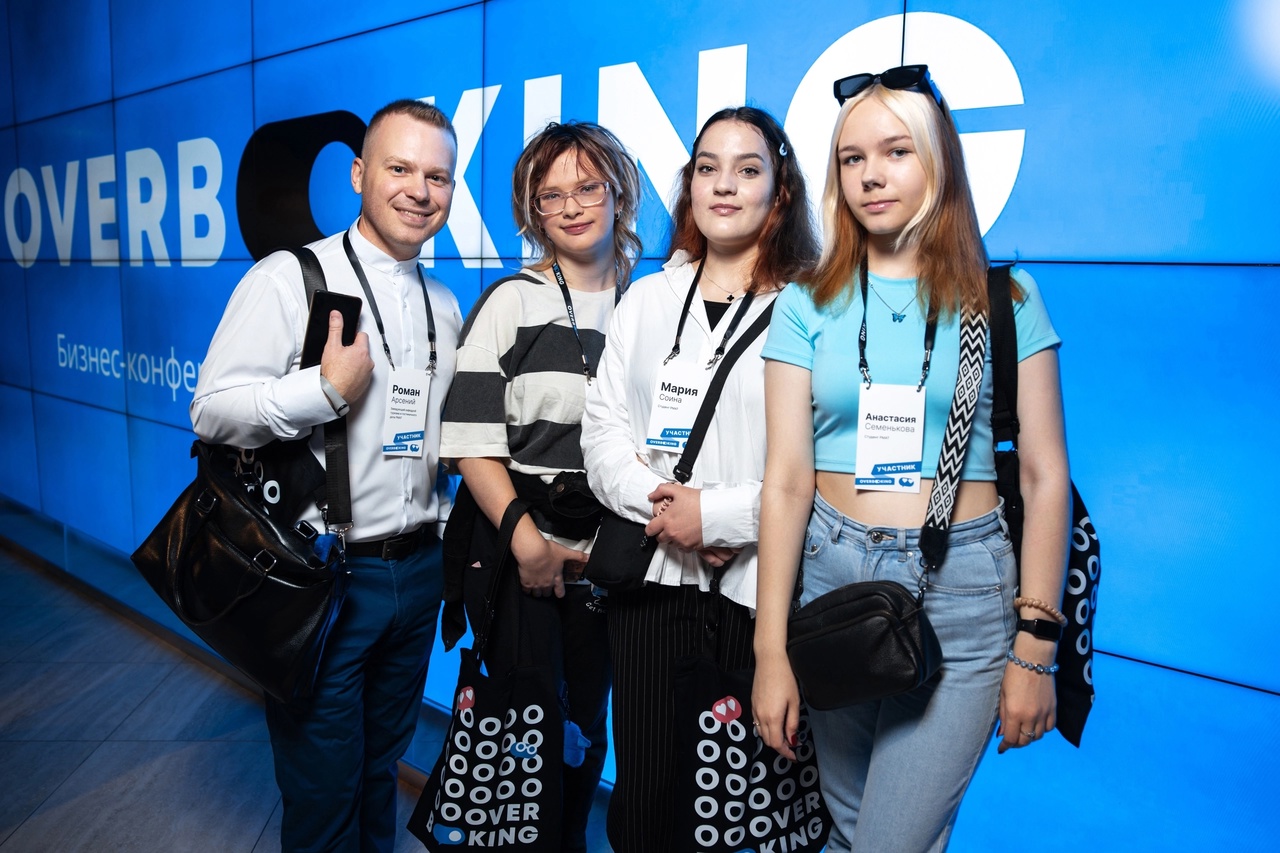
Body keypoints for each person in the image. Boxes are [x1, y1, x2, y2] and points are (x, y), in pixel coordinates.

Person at [751, 66, 1071, 851]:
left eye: (895, 151)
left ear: (938, 161)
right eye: (852, 158)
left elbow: (1044, 476)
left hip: (962, 582)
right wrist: (768, 650)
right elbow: (786, 481)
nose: (871, 175)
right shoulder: (804, 301)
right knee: (850, 832)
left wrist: (1036, 645)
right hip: (831, 574)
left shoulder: (1004, 298)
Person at [190, 99, 463, 853]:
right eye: (399, 168)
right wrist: (323, 391)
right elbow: (210, 410)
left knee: (379, 770)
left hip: (418, 574)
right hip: (326, 577)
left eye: (437, 176)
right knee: (322, 789)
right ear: (358, 174)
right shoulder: (290, 278)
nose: (419, 190)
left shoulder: (444, 304)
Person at [581, 106, 818, 853]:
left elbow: (820, 467)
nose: (724, 185)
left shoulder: (813, 307)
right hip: (651, 587)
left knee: (742, 814)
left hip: (758, 596)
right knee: (645, 807)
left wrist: (716, 518)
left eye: (747, 169)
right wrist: (669, 513)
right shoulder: (648, 298)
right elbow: (602, 433)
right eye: (708, 167)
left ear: (780, 191)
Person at [438, 120, 641, 852]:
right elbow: (469, 442)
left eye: (588, 186)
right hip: (518, 547)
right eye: (551, 195)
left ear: (620, 193)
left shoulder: (648, 306)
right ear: (532, 210)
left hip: (610, 562)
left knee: (585, 730)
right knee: (524, 736)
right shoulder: (511, 302)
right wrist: (529, 546)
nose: (572, 206)